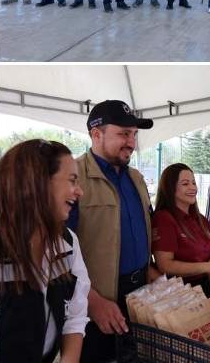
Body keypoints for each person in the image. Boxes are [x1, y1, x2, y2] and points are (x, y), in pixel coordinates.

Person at [66, 100, 157, 362]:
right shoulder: (73, 176)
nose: (131, 142)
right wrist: (92, 301)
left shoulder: (136, 178)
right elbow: (58, 253)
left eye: (134, 134)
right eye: (124, 134)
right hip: (96, 302)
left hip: (139, 294)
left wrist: (150, 271)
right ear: (96, 134)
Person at [0, 139, 90, 363]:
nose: (80, 192)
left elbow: (75, 316)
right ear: (37, 182)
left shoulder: (68, 242)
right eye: (72, 180)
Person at [153, 163, 210, 287]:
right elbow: (165, 265)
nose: (193, 188)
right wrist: (207, 267)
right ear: (170, 188)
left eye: (193, 183)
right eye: (185, 184)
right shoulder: (164, 219)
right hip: (184, 291)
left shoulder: (201, 219)